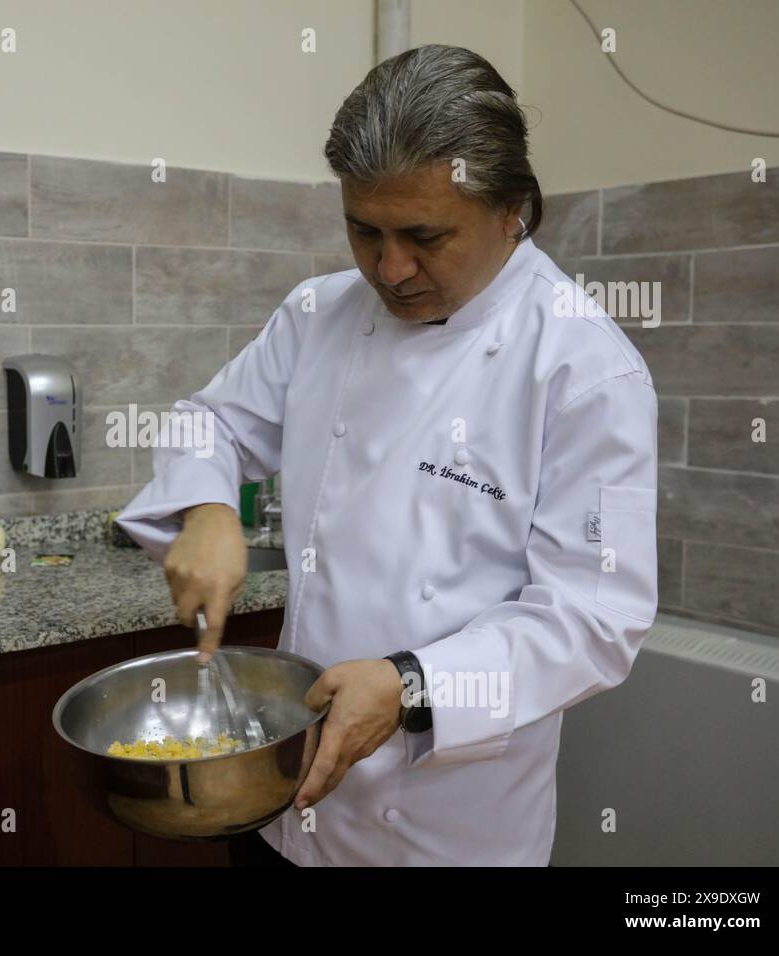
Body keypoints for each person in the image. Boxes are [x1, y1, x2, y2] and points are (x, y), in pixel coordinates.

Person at [114, 44, 659, 866]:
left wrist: (409, 684)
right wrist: (208, 507)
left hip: (444, 826)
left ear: (512, 208)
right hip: (285, 807)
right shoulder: (317, 315)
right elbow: (207, 423)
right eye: (362, 231)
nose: (388, 269)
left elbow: (591, 620)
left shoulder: (583, 366)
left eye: (423, 236)